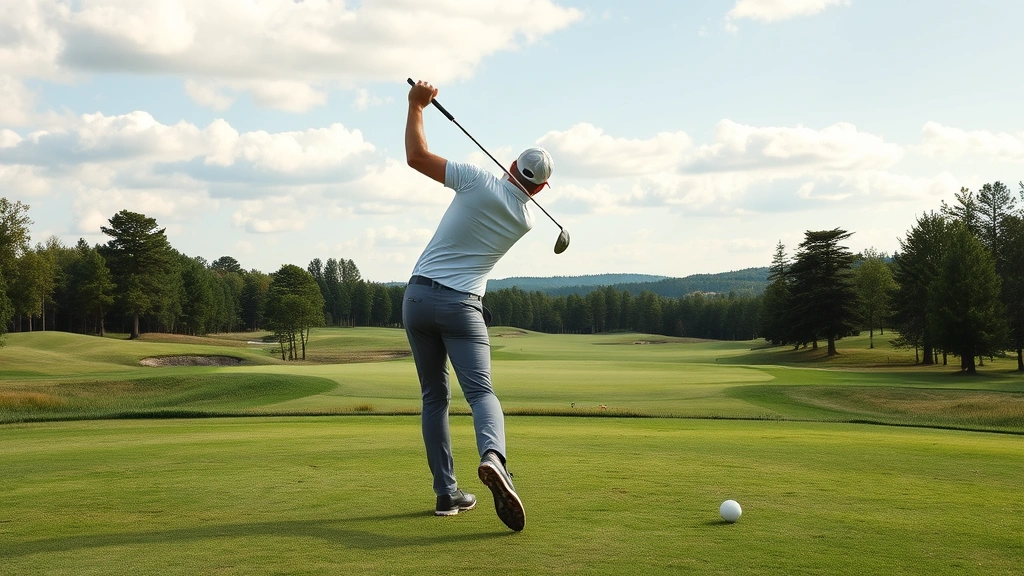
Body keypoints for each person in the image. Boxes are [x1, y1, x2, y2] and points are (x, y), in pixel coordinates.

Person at [402, 79, 553, 532]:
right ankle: (494, 458)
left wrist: (417, 106)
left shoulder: (477, 179)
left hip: (416, 298)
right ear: (542, 189)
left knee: (435, 397)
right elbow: (517, 192)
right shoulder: (526, 218)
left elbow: (416, 157)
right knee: (482, 394)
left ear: (509, 165)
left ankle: (446, 494)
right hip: (462, 307)